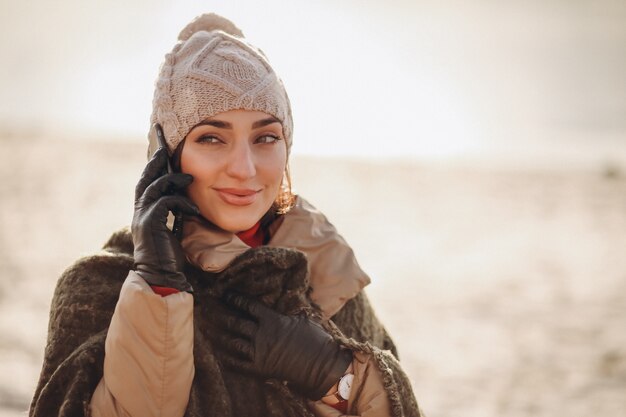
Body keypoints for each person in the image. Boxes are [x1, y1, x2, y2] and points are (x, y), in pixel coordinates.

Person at [29, 13, 423, 417]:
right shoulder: (99, 286)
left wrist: (337, 375)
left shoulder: (331, 278)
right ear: (166, 155)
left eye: (265, 137)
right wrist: (157, 293)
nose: (245, 168)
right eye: (212, 137)